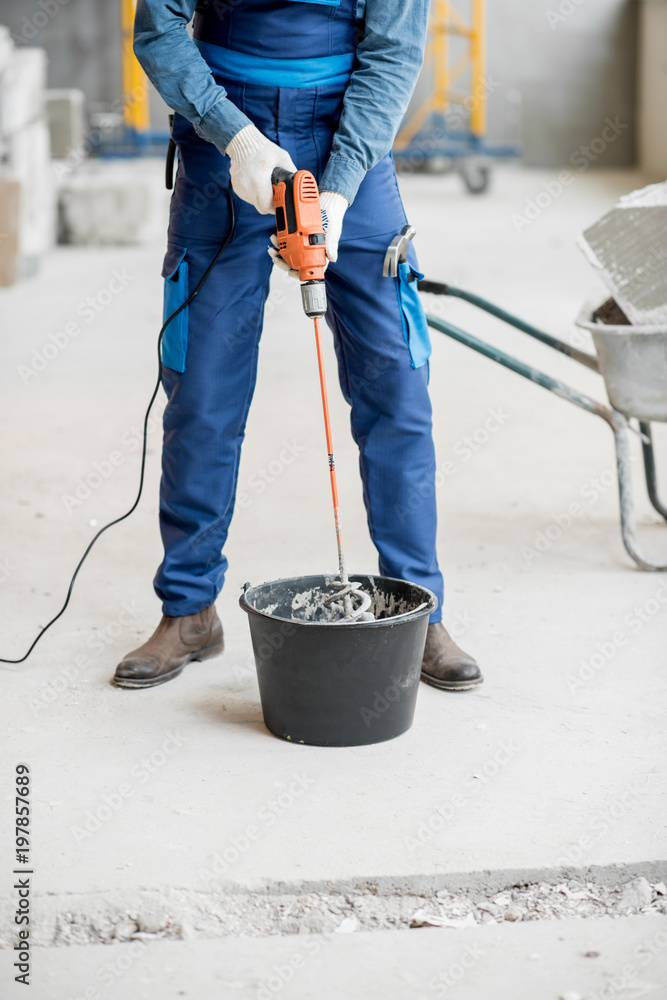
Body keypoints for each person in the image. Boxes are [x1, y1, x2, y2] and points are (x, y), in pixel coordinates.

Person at [113, 0, 483, 693]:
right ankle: (189, 609)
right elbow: (158, 26)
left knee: (396, 387)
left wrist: (339, 189)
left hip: (347, 129)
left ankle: (417, 609)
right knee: (202, 393)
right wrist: (235, 139)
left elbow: (392, 55)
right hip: (223, 130)